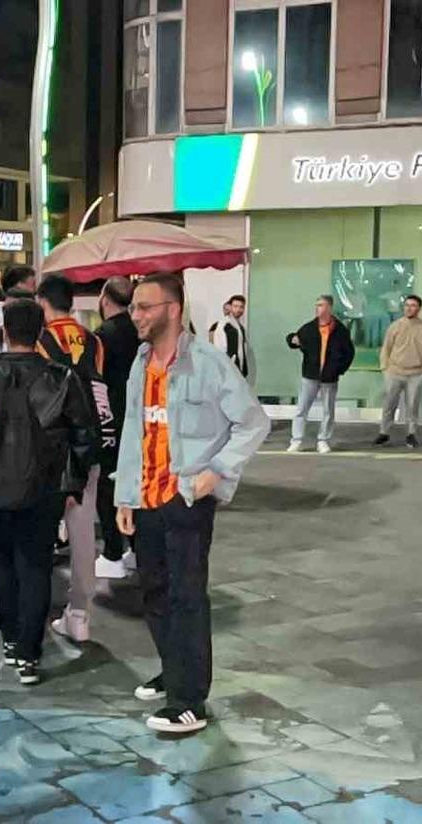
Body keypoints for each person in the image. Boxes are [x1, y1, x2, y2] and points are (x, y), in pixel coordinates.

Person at [115, 274, 269, 734]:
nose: (136, 315)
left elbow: (253, 422)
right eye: (133, 307)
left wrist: (216, 471)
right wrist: (125, 495)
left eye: (145, 307)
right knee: (154, 592)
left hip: (186, 498)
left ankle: (189, 701)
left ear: (173, 309)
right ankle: (173, 670)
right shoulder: (140, 363)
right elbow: (133, 430)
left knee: (186, 597)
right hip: (146, 497)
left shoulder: (208, 362)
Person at [0, 298, 96, 686]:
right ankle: (29, 652)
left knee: (1, 562)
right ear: (41, 332)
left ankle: (10, 639)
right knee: (36, 566)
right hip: (46, 486)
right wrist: (74, 484)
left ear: (4, 331)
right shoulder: (62, 377)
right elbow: (84, 435)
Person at [32, 274, 105, 644]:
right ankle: (80, 614)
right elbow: (100, 391)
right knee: (82, 531)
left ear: (42, 302)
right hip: (88, 442)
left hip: (51, 446)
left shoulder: (40, 339)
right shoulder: (94, 340)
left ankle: (36, 607)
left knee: (39, 528)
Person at [93, 276, 140, 580]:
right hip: (139, 417)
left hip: (110, 418)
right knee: (136, 482)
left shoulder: (102, 336)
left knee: (107, 485)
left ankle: (112, 552)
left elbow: (95, 381)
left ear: (104, 299)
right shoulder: (140, 330)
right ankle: (136, 549)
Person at [286, 295, 355, 453]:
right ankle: (296, 440)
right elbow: (295, 340)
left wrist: (339, 370)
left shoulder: (340, 331)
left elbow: (349, 352)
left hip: (329, 378)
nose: (317, 308)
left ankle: (323, 440)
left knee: (328, 411)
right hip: (310, 375)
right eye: (317, 305)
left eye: (321, 305)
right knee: (302, 409)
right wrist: (291, 339)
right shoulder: (309, 328)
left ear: (329, 307)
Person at [374, 295, 422, 448]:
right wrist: (384, 368)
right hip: (394, 372)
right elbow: (386, 347)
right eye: (407, 305)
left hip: (416, 374)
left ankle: (411, 434)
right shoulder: (395, 326)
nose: (409, 308)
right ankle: (384, 432)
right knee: (389, 404)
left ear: (419, 308)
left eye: (413, 305)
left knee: (412, 405)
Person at [211, 295, 249, 378]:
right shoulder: (223, 324)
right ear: (230, 307)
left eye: (241, 307)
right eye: (235, 306)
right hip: (229, 370)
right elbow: (219, 348)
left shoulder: (240, 327)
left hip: (239, 369)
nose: (238, 309)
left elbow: (241, 349)